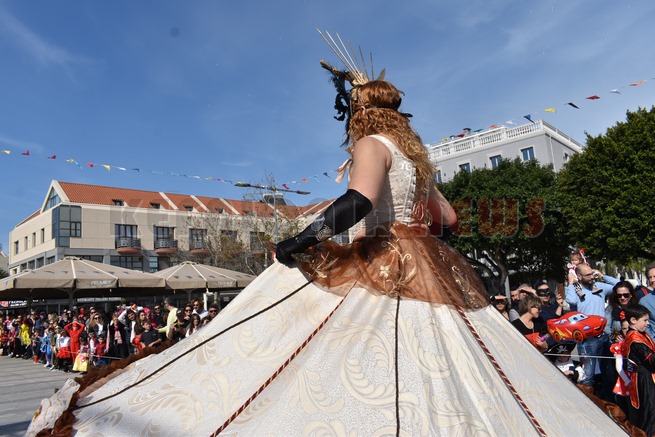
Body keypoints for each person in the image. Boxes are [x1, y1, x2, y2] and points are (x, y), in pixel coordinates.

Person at [28, 35, 625, 436]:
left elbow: (358, 200)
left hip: (380, 257)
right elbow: (449, 221)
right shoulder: (417, 160)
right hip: (427, 260)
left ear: (359, 115)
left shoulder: (372, 145)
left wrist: (303, 238)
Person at [565, 263, 619, 391]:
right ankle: (588, 397)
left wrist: (603, 276)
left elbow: (619, 286)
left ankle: (608, 398)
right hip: (586, 338)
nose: (592, 277)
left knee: (609, 372)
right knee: (587, 374)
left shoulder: (599, 287)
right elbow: (571, 301)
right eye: (588, 275)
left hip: (603, 335)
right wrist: (571, 283)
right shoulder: (575, 289)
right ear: (579, 276)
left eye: (592, 273)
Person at [622, 304, 655, 435]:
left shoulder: (641, 334)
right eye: (645, 320)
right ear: (633, 320)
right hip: (643, 378)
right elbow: (651, 360)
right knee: (649, 411)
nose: (647, 323)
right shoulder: (634, 338)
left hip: (647, 375)